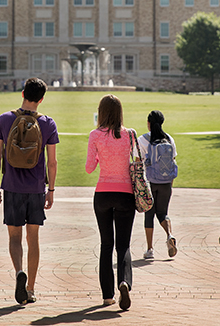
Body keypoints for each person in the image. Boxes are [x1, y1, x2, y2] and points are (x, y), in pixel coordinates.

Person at [0, 77, 59, 305]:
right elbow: (52, 162)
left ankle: (19, 271)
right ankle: (30, 288)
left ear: (22, 94)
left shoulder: (4, 119)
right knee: (33, 238)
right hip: (36, 188)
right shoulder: (48, 123)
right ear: (41, 99)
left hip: (11, 186)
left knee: (14, 237)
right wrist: (50, 189)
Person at [85, 94, 136, 310]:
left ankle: (107, 296)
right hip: (125, 193)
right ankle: (124, 281)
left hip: (103, 193)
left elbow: (89, 168)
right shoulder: (130, 134)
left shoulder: (95, 135)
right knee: (123, 245)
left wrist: (99, 157)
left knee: (107, 244)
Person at [137, 110, 178, 261]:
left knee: (149, 214)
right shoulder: (169, 139)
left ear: (148, 123)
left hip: (150, 182)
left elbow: (138, 161)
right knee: (163, 213)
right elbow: (173, 160)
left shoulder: (142, 139)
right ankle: (170, 235)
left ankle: (150, 249)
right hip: (166, 182)